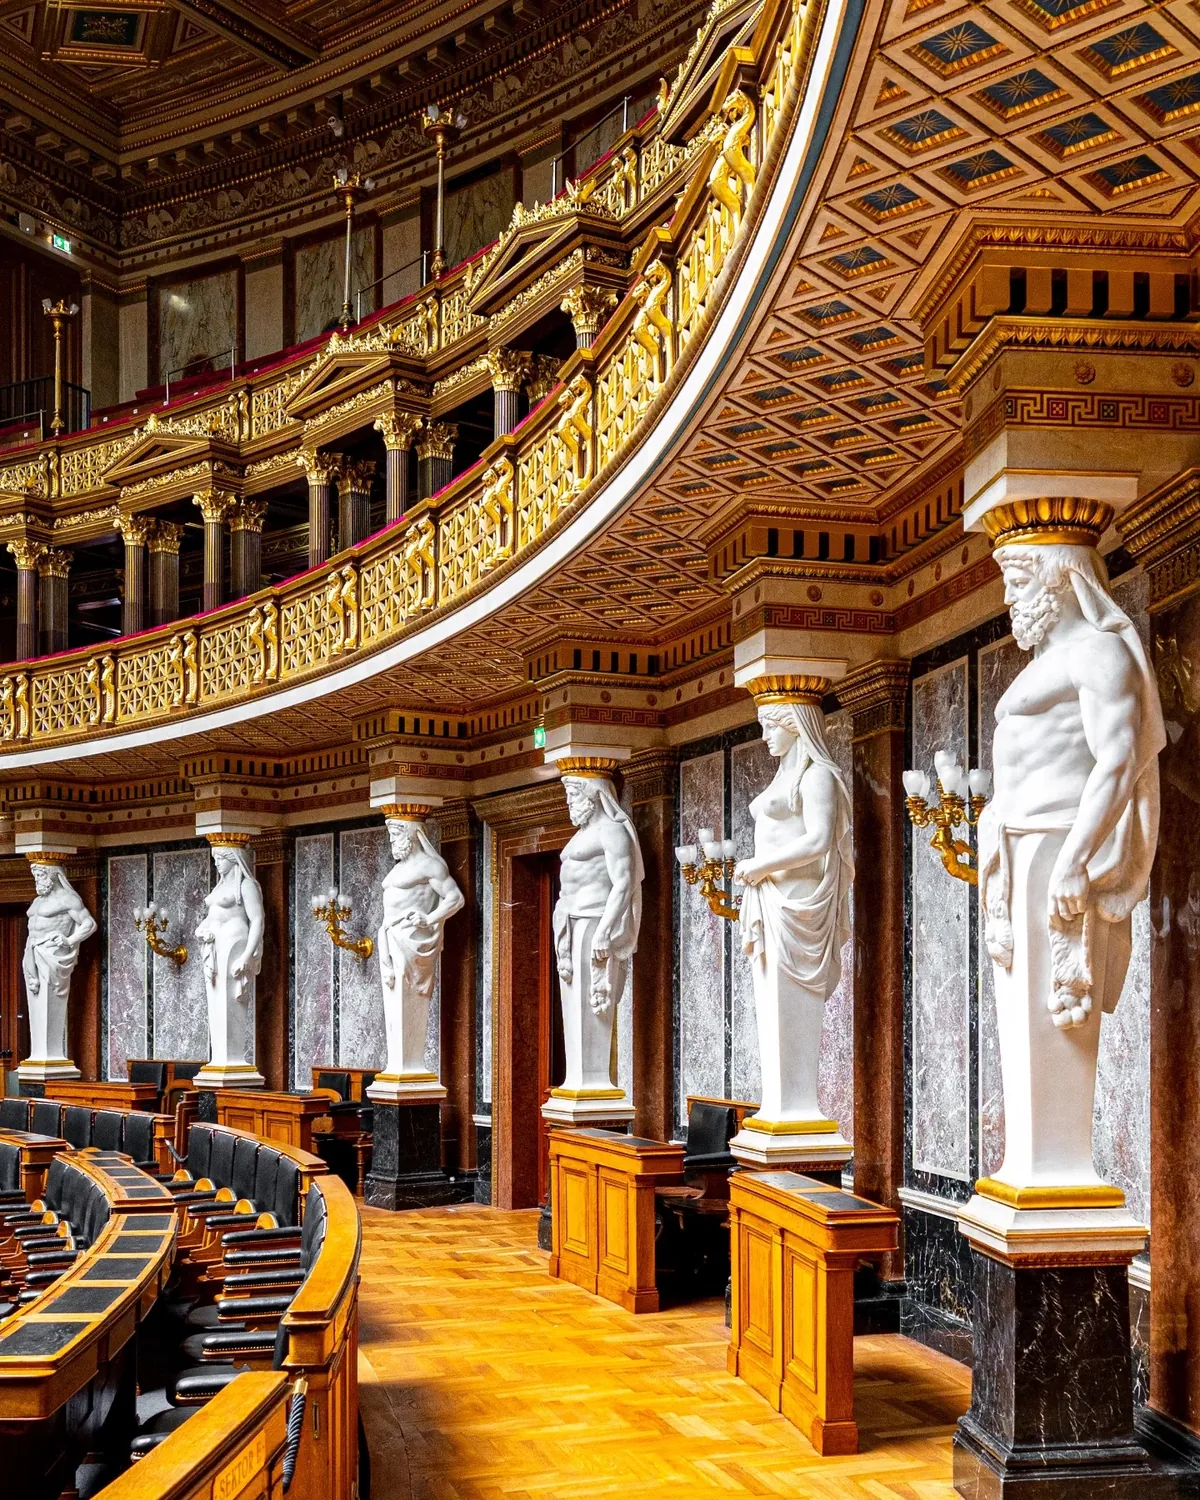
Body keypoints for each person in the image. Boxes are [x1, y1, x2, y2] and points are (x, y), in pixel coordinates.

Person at [978, 534, 1164, 1192]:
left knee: (1060, 1012)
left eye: (1018, 584)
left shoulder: (1101, 654)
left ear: (1059, 582)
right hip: (1018, 848)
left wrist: (1075, 863)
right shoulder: (1043, 664)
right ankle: (1028, 1168)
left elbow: (1117, 763)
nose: (1007, 599)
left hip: (1058, 849)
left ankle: (1054, 1175)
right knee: (1023, 1025)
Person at [733, 696, 853, 1129]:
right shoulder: (784, 774)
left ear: (795, 725)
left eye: (771, 726)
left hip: (797, 905)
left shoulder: (817, 775)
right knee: (770, 1006)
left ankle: (795, 1111)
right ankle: (777, 1107)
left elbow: (820, 839)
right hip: (769, 900)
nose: (764, 736)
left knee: (791, 1005)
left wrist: (761, 865)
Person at [552, 772, 643, 1099]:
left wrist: (605, 930)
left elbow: (622, 883)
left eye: (573, 797)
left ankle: (591, 1082)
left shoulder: (613, 832)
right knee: (572, 1005)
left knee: (593, 1003)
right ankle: (576, 1078)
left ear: (592, 796)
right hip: (569, 921)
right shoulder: (582, 835)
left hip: (593, 921)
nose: (568, 804)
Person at [375, 814, 463, 1088]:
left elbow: (455, 898)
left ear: (413, 833)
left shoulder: (431, 865)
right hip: (390, 936)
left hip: (411, 940)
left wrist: (431, 918)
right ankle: (397, 1066)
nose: (392, 840)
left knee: (405, 999)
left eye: (396, 834)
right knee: (392, 1004)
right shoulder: (398, 869)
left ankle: (409, 1067)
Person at [195, 841, 264, 1082]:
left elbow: (257, 920)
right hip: (214, 946)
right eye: (215, 858)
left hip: (234, 943)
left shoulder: (246, 886)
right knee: (215, 1000)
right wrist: (200, 929)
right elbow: (211, 917)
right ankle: (220, 1058)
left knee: (230, 999)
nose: (216, 862)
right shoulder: (220, 886)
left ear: (234, 858)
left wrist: (247, 955)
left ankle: (232, 1059)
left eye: (221, 858)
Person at [22, 860, 96, 1072]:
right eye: (35, 876)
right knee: (35, 1002)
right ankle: (38, 1055)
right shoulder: (36, 902)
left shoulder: (68, 899)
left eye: (41, 876)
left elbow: (89, 924)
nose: (37, 881)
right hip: (32, 951)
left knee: (48, 1003)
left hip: (52, 955)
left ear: (53, 875)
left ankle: (49, 1056)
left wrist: (69, 941)